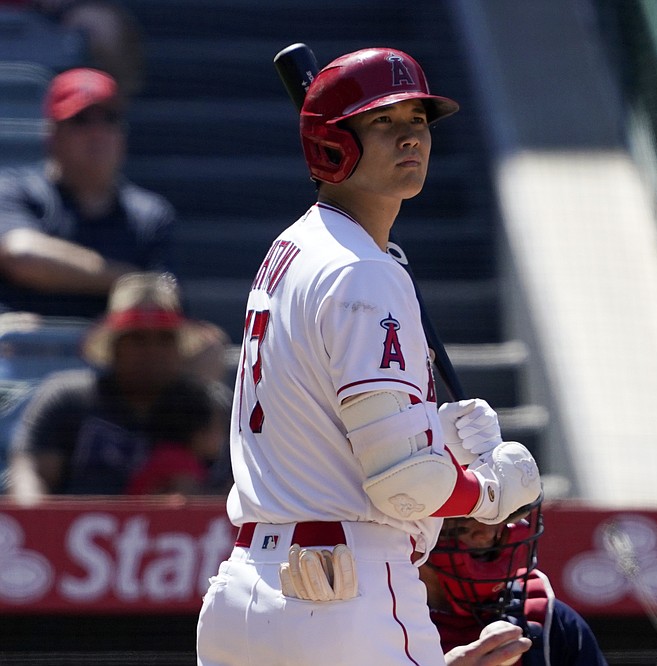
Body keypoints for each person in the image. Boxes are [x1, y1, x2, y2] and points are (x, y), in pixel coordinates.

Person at [195, 47, 542, 666]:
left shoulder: (293, 250)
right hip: (344, 590)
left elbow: (325, 426)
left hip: (247, 595)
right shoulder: (362, 271)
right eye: (383, 121)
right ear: (332, 143)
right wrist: (490, 489)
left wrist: (434, 432)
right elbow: (404, 486)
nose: (411, 136)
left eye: (418, 121)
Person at [4, 271, 224, 503]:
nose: (153, 351)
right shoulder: (67, 399)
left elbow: (234, 489)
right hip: (78, 532)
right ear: (115, 347)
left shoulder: (204, 407)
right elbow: (29, 476)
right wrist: (46, 527)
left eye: (165, 338)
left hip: (180, 536)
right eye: (138, 338)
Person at [0, 67, 174, 319]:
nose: (97, 133)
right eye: (81, 120)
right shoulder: (15, 190)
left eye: (109, 119)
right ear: (53, 135)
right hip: (26, 355)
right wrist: (130, 280)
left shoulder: (150, 214)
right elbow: (20, 254)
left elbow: (166, 298)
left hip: (116, 356)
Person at [421, 503, 610, 666]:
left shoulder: (550, 620)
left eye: (498, 514)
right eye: (463, 521)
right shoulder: (392, 617)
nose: (486, 534)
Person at [125, 373, 230, 495]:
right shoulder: (177, 460)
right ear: (197, 430)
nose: (224, 434)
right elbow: (190, 500)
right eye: (218, 425)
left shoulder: (169, 456)